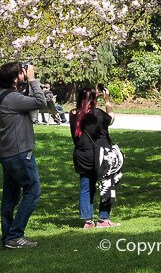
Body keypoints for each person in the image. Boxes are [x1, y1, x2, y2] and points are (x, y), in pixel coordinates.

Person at [0, 62, 47, 249]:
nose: (25, 74)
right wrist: (32, 79)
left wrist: (26, 82)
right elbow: (41, 102)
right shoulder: (13, 99)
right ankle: (15, 235)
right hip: (19, 153)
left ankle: (8, 237)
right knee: (33, 191)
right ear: (15, 79)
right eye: (21, 73)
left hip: (6, 153)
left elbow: (25, 100)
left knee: (10, 197)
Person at [69, 86, 119, 229]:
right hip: (100, 155)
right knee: (107, 185)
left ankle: (88, 221)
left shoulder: (73, 113)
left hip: (81, 155)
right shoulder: (97, 114)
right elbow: (111, 119)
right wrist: (107, 100)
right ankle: (103, 219)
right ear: (94, 100)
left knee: (86, 187)